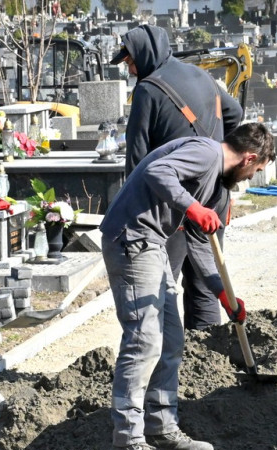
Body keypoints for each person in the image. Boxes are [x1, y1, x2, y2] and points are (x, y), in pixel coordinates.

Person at [99, 122, 276, 450]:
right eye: (255, 171)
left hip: (153, 245)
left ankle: (162, 428)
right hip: (132, 240)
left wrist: (223, 294)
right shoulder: (206, 153)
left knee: (171, 340)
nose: (249, 178)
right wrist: (193, 207)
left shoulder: (214, 184)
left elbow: (199, 243)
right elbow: (156, 171)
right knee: (144, 340)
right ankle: (127, 442)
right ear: (249, 158)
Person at [113, 24, 244, 330]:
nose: (131, 69)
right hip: (212, 198)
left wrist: (133, 213)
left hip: (171, 203)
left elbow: (137, 158)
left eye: (130, 61)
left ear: (144, 55)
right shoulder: (201, 75)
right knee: (206, 282)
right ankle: (208, 357)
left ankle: (167, 359)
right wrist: (211, 150)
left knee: (162, 283)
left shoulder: (147, 90)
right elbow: (234, 113)